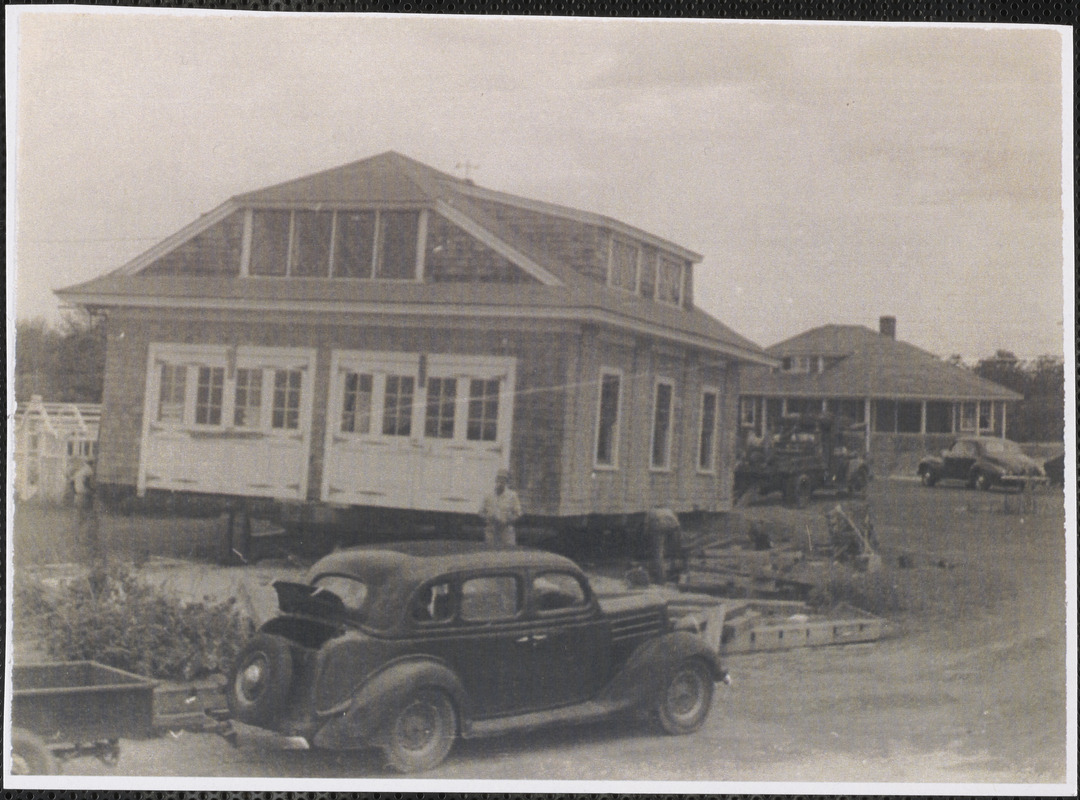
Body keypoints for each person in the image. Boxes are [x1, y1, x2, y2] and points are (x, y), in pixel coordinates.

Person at [479, 468, 522, 546]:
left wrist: (508, 520)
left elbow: (518, 514)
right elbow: (481, 512)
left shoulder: (512, 495)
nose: (500, 482)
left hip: (506, 531)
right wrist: (488, 518)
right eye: (499, 479)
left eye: (503, 479)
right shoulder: (488, 495)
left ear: (507, 482)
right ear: (496, 480)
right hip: (491, 531)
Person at [71, 456, 101, 564]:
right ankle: (87, 539)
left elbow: (71, 481)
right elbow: (89, 484)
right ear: (92, 463)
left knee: (80, 518)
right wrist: (93, 491)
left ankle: (78, 537)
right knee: (89, 517)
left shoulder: (79, 471)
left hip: (77, 496)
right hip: (85, 496)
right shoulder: (89, 472)